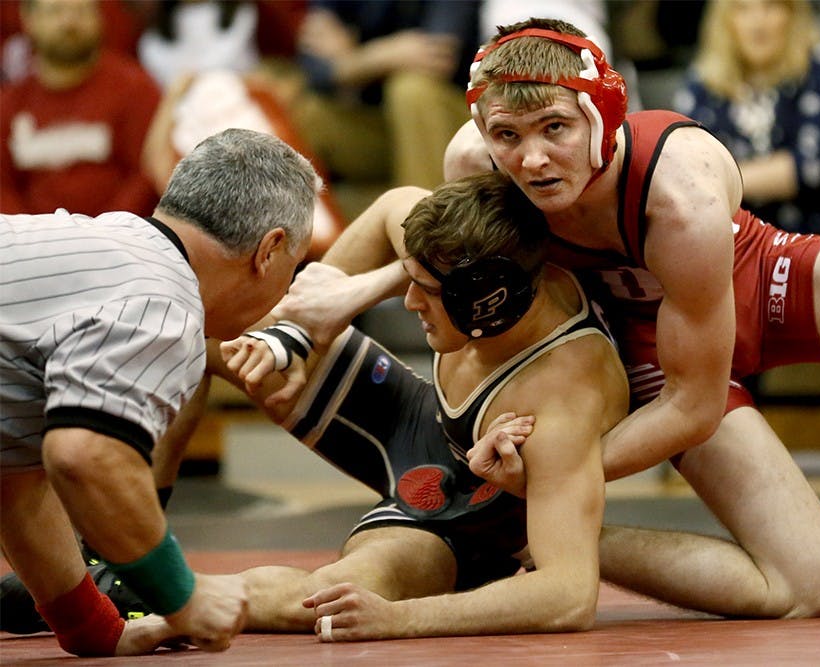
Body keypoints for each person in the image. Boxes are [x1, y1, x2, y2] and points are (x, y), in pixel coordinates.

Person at [434, 17, 820, 619]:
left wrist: (556, 478)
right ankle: (515, 538)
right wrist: (364, 285)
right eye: (508, 135)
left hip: (750, 276)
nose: (533, 160)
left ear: (604, 117)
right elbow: (434, 266)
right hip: (642, 354)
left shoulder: (681, 193)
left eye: (555, 128)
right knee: (811, 582)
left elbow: (695, 408)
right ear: (485, 131)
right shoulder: (474, 166)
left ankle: (535, 523)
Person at [209, 171, 629, 639]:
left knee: (328, 599)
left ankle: (164, 595)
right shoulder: (466, 248)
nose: (408, 302)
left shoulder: (564, 396)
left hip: (474, 514)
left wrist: (401, 618)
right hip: (417, 419)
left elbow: (569, 595)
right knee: (211, 331)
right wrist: (296, 333)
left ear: (487, 303)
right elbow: (394, 204)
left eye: (427, 290)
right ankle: (149, 531)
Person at [0, 128, 319, 656]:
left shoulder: (98, 246)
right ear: (270, 250)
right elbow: (85, 456)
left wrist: (97, 630)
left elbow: (18, 483)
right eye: (295, 266)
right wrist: (182, 596)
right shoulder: (163, 303)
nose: (285, 287)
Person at [672, 0, 820, 235]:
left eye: (770, 7)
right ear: (724, 22)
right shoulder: (702, 85)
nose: (758, 24)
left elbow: (816, 165)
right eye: (742, 9)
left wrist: (723, 181)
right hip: (736, 241)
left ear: (793, 14)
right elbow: (688, 174)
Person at [260, 0, 481, 190]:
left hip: (457, 124)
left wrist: (351, 60)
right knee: (307, 112)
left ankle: (427, 217)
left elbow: (438, 57)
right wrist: (379, 57)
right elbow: (313, 70)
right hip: (379, 126)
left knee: (412, 91)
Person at [0, 0, 161, 216]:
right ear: (28, 19)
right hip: (33, 233)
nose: (69, 22)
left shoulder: (136, 89)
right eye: (56, 11)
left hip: (121, 231)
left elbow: (148, 171)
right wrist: (29, 229)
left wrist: (105, 229)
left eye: (81, 11)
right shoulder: (11, 104)